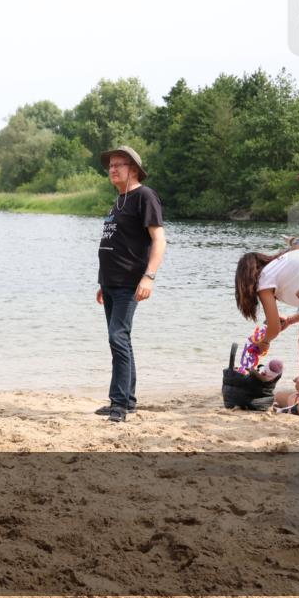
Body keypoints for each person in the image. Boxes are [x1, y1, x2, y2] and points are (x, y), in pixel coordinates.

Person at [95, 146, 166, 423]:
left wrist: (149, 276)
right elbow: (116, 243)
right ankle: (128, 400)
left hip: (129, 283)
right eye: (110, 165)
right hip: (111, 284)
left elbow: (159, 239)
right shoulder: (120, 200)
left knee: (117, 338)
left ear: (133, 169)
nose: (113, 169)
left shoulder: (144, 197)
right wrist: (103, 282)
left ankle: (119, 405)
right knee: (121, 339)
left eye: (119, 164)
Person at [234, 247, 299, 416]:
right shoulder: (283, 261)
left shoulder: (264, 279)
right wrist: (290, 320)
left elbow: (273, 328)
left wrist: (264, 342)